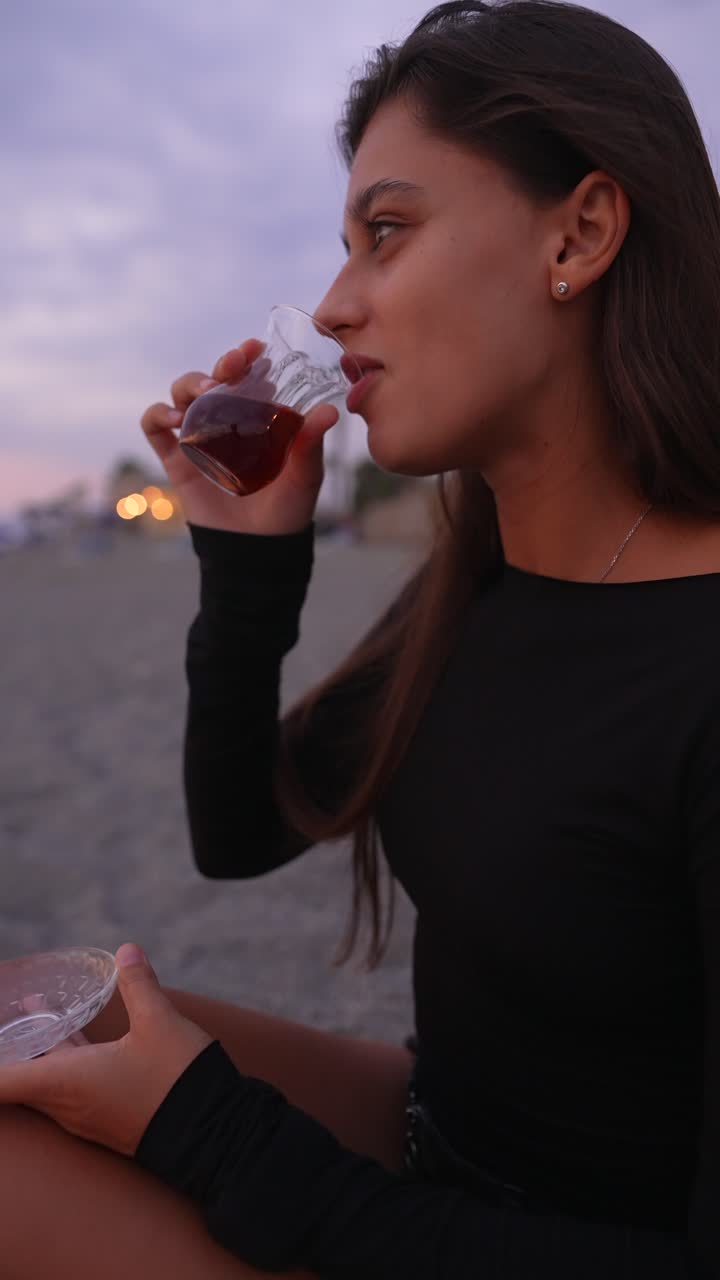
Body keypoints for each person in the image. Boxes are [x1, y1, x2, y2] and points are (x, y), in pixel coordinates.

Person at [1, 1, 719, 1275]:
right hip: (434, 1134)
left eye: (386, 231)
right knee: (19, 1018)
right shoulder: (483, 583)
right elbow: (240, 832)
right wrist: (249, 560)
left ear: (585, 230)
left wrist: (206, 1132)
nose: (333, 307)